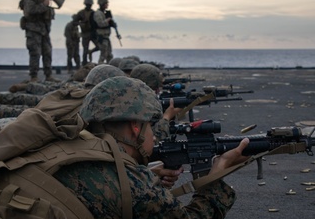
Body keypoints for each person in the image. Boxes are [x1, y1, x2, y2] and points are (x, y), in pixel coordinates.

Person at [52, 76, 250, 218]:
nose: (154, 135)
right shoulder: (135, 186)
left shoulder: (70, 148)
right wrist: (215, 178)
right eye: (151, 127)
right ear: (135, 128)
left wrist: (145, 173)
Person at [22, 0, 60, 83]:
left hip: (44, 30)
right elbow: (31, 10)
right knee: (35, 53)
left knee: (47, 52)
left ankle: (48, 75)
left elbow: (49, 12)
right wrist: (44, 5)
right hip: (33, 29)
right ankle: (33, 76)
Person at [75, 0, 98, 65]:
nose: (89, 6)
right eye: (87, 4)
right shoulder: (81, 13)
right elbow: (75, 22)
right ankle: (84, 64)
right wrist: (82, 23)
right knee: (85, 50)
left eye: (90, 4)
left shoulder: (94, 13)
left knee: (99, 46)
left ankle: (90, 52)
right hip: (85, 33)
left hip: (93, 33)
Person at [92, 0, 114, 64]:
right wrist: (108, 20)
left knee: (109, 55)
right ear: (102, 4)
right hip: (102, 36)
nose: (107, 5)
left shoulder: (103, 13)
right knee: (103, 55)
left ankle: (109, 68)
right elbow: (100, 24)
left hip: (106, 37)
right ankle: (100, 68)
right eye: (106, 3)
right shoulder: (98, 13)